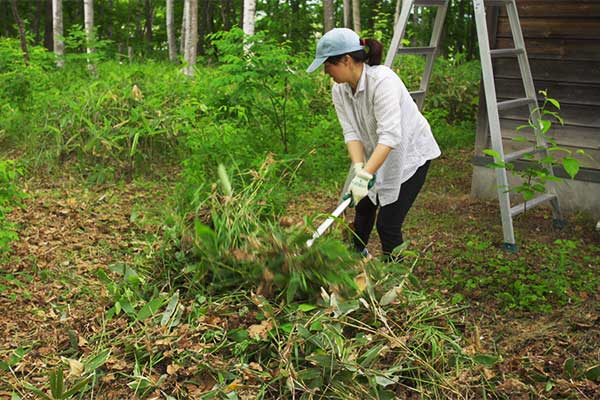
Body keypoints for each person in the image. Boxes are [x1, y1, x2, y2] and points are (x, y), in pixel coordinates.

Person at [307, 28, 441, 260]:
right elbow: (351, 133)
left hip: (410, 156)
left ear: (346, 60)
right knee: (363, 209)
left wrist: (367, 174)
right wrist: (360, 170)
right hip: (376, 153)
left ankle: (395, 278)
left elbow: (390, 137)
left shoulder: (383, 82)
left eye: (328, 66)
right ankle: (355, 260)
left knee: (387, 225)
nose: (326, 73)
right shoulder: (339, 90)